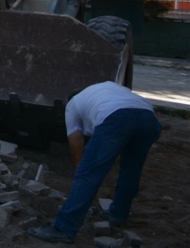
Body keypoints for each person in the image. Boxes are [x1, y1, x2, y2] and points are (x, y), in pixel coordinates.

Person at [29, 82, 162, 244]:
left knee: (87, 175)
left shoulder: (72, 104)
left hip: (116, 118)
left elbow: (75, 142)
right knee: (131, 170)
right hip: (148, 119)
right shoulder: (108, 88)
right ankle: (118, 214)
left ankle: (63, 228)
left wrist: (81, 172)